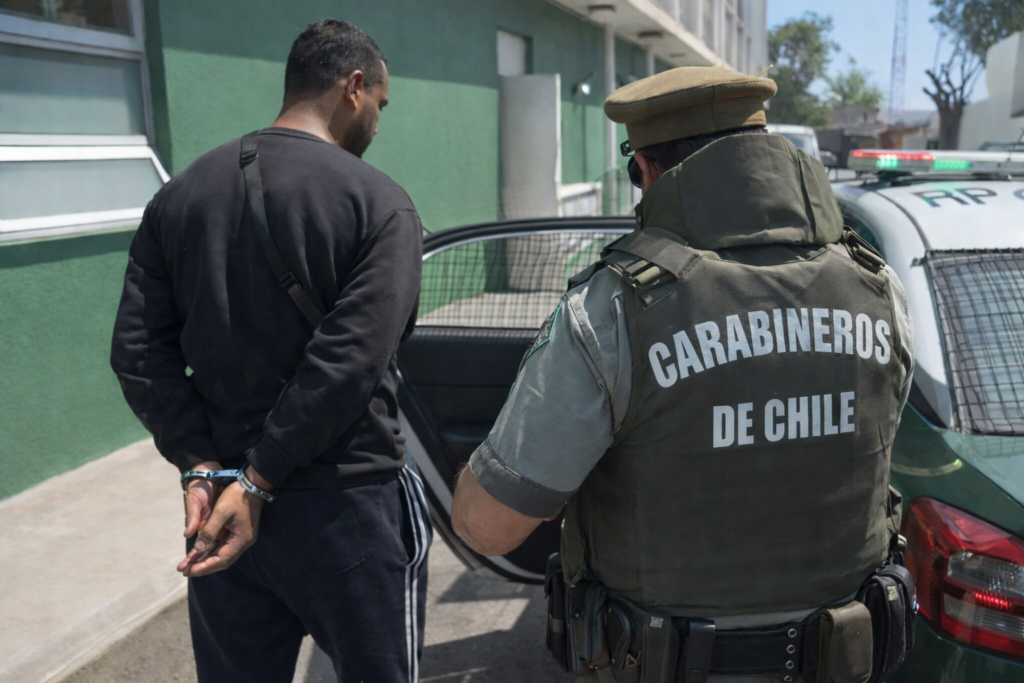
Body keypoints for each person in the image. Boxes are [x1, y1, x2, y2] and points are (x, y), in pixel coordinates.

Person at [451, 67, 915, 683]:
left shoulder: (613, 308)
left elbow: (488, 526)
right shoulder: (878, 287)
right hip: (847, 663)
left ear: (645, 170)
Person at [111, 19, 431, 683]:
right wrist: (262, 477)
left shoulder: (179, 197)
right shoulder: (380, 204)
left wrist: (201, 464)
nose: (378, 120)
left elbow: (140, 351)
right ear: (353, 87)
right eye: (381, 103)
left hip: (223, 511)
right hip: (346, 506)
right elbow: (351, 361)